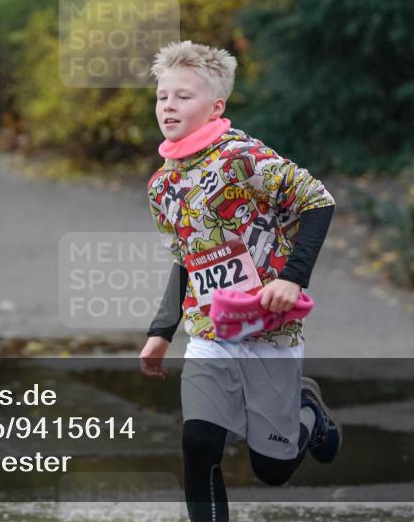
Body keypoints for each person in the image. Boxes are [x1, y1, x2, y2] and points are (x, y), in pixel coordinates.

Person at [138, 40, 342, 522]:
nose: (169, 105)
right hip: (210, 332)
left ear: (215, 107)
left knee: (272, 469)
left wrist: (293, 279)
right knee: (198, 443)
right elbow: (187, 259)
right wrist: (161, 330)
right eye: (162, 96)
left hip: (270, 328)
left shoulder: (244, 158)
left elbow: (319, 201)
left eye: (183, 96)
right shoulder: (162, 185)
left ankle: (306, 412)